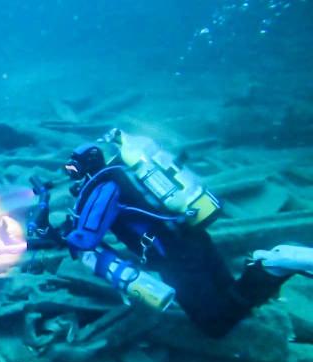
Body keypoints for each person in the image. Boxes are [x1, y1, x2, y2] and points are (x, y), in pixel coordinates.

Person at [29, 129, 312, 337]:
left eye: (72, 167)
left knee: (212, 324)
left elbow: (86, 239)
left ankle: (274, 264)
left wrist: (60, 232)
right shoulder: (123, 172)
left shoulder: (104, 189)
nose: (69, 171)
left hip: (173, 256)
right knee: (228, 295)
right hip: (192, 236)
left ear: (86, 166)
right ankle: (266, 268)